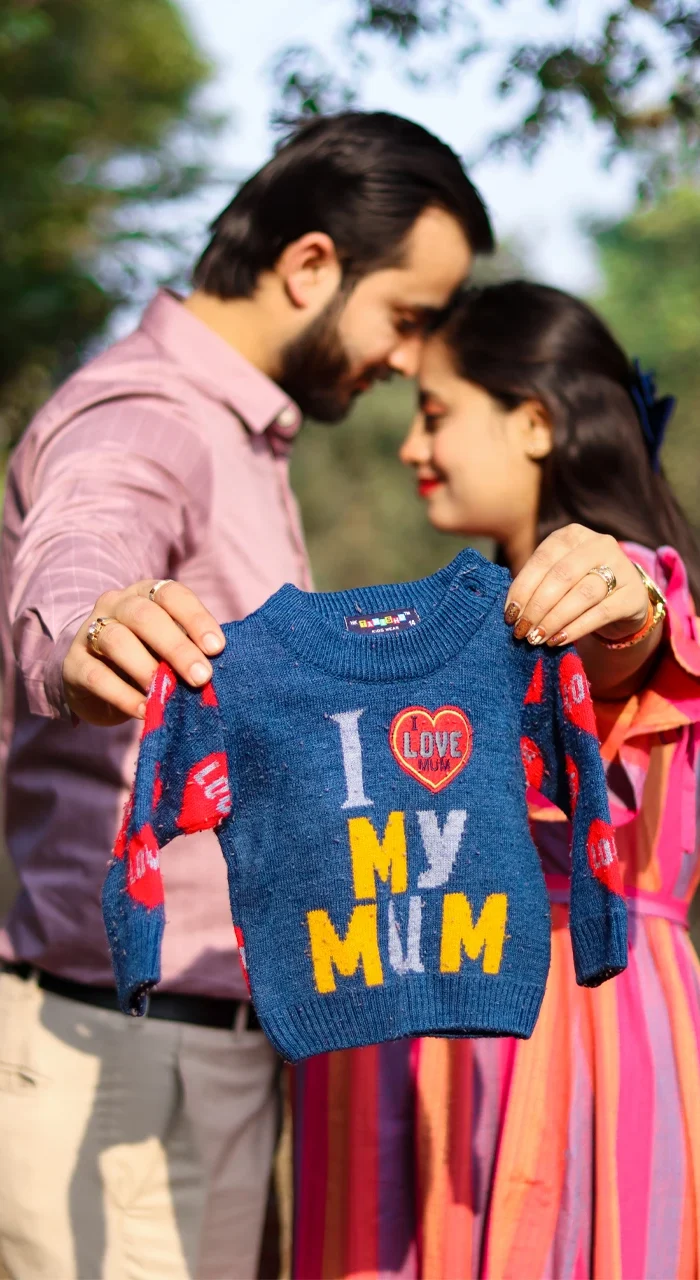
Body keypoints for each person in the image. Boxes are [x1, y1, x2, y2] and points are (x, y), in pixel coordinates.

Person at [0, 112, 494, 1280]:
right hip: (123, 1060)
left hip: (187, 1056)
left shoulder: (243, 436)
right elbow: (86, 536)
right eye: (406, 316)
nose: (408, 360)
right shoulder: (150, 414)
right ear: (310, 265)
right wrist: (88, 628)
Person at [291, 281, 700, 1279]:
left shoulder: (610, 585)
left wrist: (626, 599)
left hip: (572, 1026)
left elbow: (625, 640)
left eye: (435, 413)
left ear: (534, 422)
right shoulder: (467, 620)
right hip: (414, 1033)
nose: (411, 447)